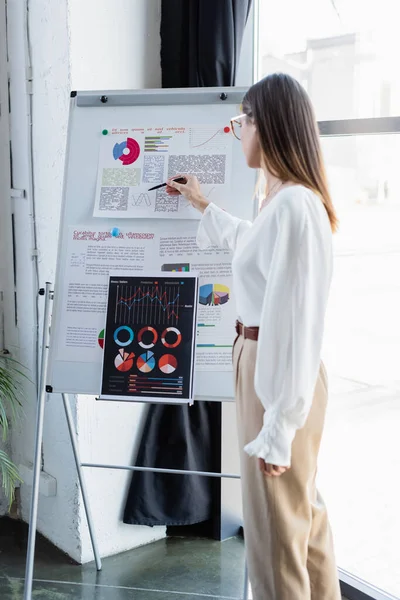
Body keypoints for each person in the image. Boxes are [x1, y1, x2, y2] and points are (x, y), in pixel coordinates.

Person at [166, 72, 341, 600]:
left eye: (243, 120)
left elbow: (297, 319)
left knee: (274, 532)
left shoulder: (294, 206)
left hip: (275, 367)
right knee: (298, 517)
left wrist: (280, 424)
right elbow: (256, 253)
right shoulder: (284, 199)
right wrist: (203, 206)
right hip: (268, 361)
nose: (238, 129)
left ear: (270, 127)